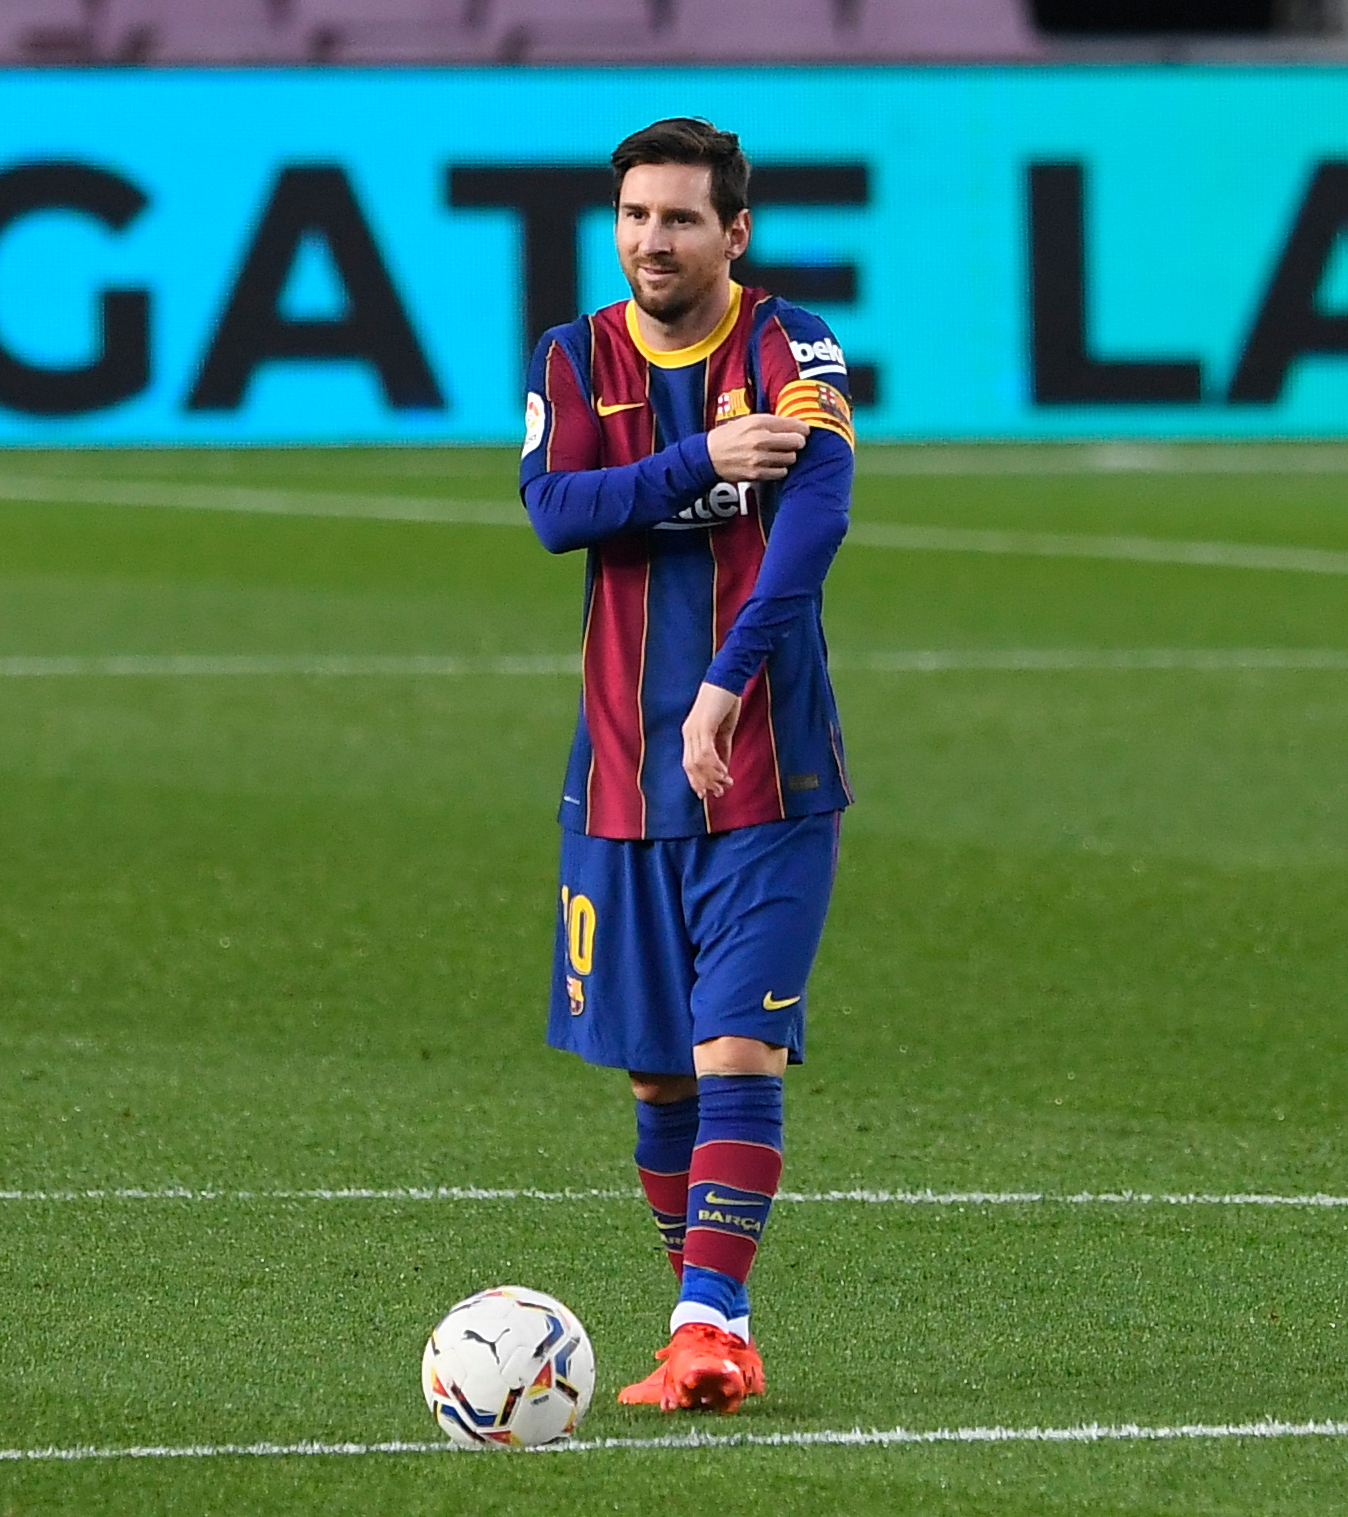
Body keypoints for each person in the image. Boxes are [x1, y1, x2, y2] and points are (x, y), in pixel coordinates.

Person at [518, 116, 857, 1414]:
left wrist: (726, 683)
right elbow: (557, 509)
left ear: (735, 231)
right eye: (636, 217)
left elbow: (816, 515)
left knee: (734, 1054)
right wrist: (703, 462)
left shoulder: (793, 345)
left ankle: (708, 1322)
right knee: (658, 1070)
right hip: (617, 779)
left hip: (770, 770)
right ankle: (712, 1319)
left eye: (679, 218)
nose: (653, 239)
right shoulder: (574, 354)